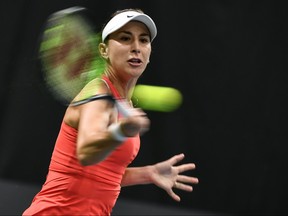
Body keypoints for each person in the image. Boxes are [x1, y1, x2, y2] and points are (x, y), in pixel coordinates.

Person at [23, 8, 199, 216]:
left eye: (143, 40)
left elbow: (102, 175)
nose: (136, 47)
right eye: (125, 38)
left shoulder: (124, 104)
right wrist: (121, 131)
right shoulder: (97, 92)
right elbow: (87, 152)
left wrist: (149, 173)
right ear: (103, 50)